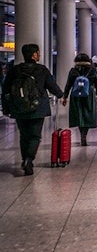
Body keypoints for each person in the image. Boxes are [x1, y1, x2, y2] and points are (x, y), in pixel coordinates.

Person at [1, 44, 64, 175]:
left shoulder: (15, 70)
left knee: (24, 135)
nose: (39, 54)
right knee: (35, 136)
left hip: (19, 108)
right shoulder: (41, 70)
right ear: (34, 55)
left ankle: (25, 158)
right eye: (38, 53)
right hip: (37, 108)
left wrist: (6, 108)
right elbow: (52, 86)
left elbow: (6, 89)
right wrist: (61, 95)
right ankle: (29, 159)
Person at [61, 52, 97, 146]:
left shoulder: (73, 71)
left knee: (79, 113)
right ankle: (84, 134)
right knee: (87, 113)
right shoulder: (92, 70)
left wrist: (65, 97)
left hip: (75, 95)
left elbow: (68, 85)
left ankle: (81, 132)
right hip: (89, 94)